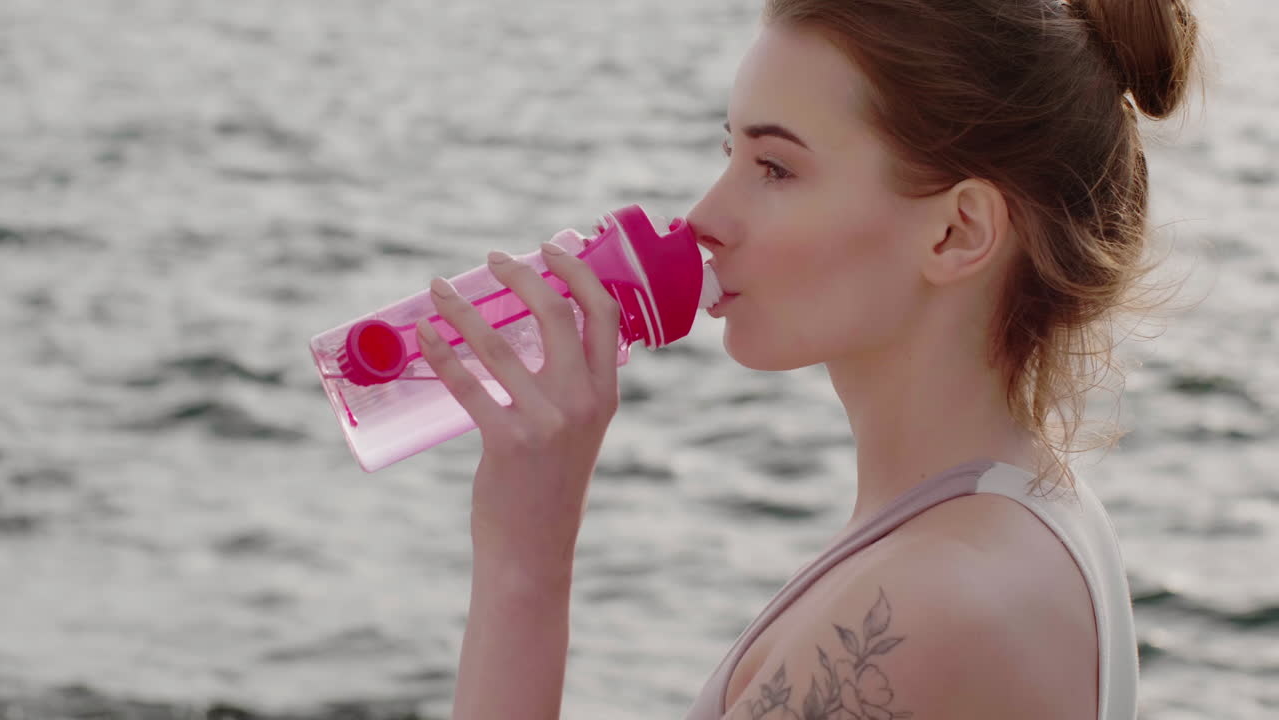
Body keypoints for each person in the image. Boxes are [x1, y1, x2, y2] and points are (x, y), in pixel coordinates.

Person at [414, 0, 1201, 718]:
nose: (704, 218)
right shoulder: (1020, 514)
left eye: (775, 168)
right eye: (731, 152)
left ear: (957, 232)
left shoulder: (931, 608)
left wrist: (526, 556)